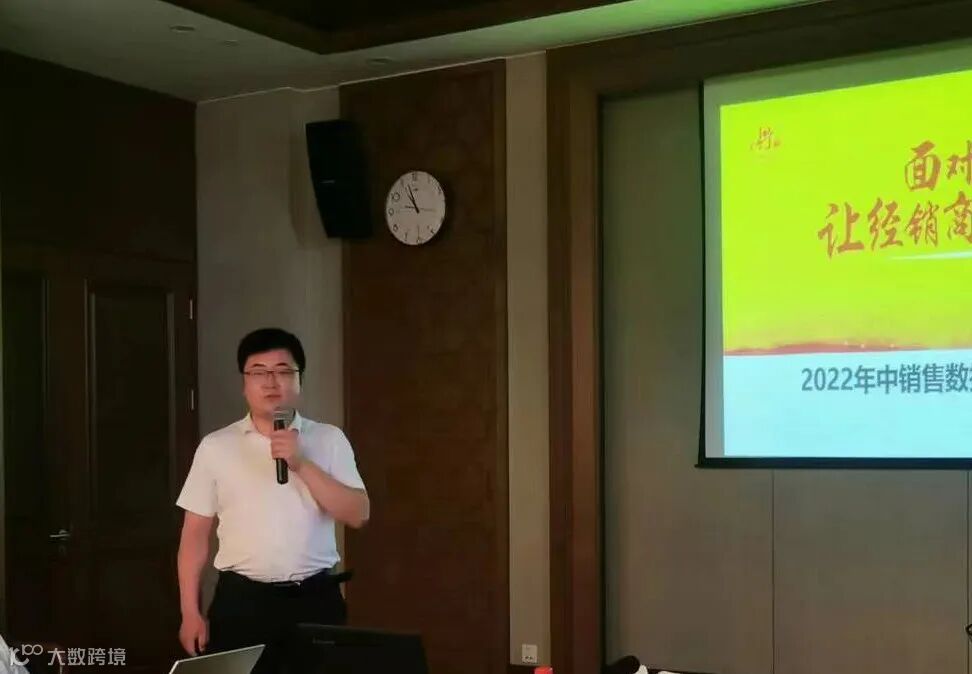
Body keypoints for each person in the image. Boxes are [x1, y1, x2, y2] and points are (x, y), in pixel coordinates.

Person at [175, 327, 369, 674]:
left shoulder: (329, 439)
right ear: (244, 383)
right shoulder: (216, 446)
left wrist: (301, 463)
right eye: (258, 372)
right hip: (243, 602)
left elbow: (358, 514)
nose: (270, 382)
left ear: (299, 380)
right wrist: (190, 612)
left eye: (283, 371)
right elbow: (194, 535)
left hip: (315, 600)